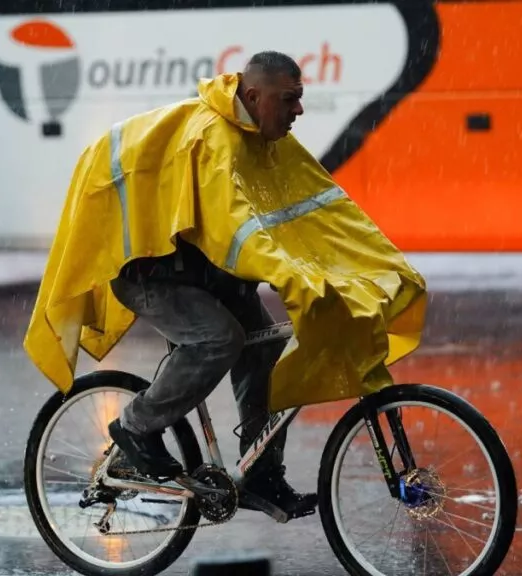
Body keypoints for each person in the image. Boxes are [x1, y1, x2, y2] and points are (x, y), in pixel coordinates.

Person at [106, 51, 318, 520]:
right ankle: (136, 427)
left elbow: (303, 212)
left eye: (300, 98)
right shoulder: (217, 138)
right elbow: (234, 226)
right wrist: (289, 274)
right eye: (289, 99)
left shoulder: (262, 140)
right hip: (151, 270)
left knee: (264, 348)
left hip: (202, 271)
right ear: (254, 96)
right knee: (219, 339)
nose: (299, 109)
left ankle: (261, 475)